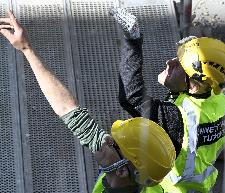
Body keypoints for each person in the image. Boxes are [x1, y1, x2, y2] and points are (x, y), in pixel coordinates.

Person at [0, 11, 176, 193]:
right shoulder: (131, 175)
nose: (105, 138)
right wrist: (27, 49)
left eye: (113, 143)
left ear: (122, 170)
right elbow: (69, 110)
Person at [110, 7, 225, 193]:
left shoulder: (177, 117)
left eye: (179, 66)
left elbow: (131, 97)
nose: (169, 63)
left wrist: (133, 40)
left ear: (194, 85)